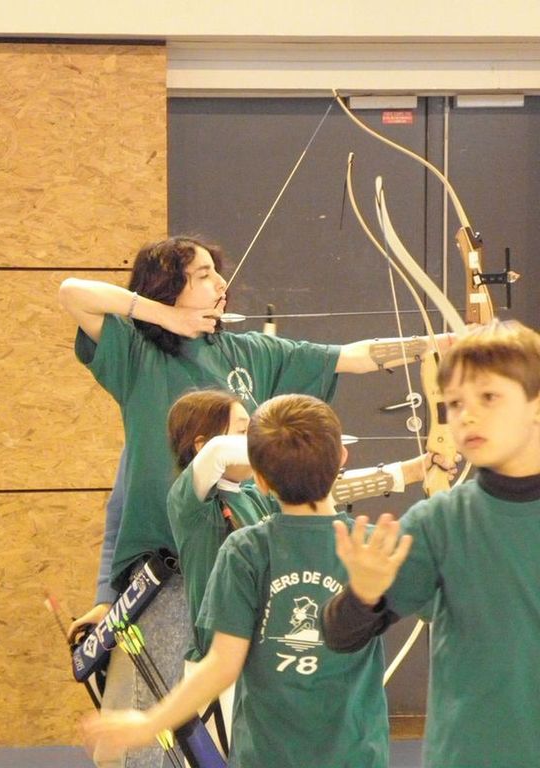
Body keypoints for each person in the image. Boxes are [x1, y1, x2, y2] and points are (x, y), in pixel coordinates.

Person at [60, 235, 451, 767]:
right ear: (166, 285)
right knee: (143, 752)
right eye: (202, 275)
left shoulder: (248, 354)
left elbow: (350, 362)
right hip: (163, 579)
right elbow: (72, 292)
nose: (221, 284)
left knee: (219, 731)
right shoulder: (136, 354)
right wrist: (164, 318)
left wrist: (438, 343)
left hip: (240, 572)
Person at [82, 394, 394, 768]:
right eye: (241, 433)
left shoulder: (253, 513)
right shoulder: (201, 508)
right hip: (299, 732)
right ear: (341, 457)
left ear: (261, 478)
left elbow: (224, 662)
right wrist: (297, 446)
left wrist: (409, 471)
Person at [322, 319, 540, 768]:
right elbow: (340, 635)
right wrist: (363, 594)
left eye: (488, 397)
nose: (467, 416)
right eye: (454, 403)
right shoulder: (439, 523)